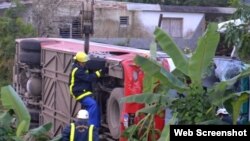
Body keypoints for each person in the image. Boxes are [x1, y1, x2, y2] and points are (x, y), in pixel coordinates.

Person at [69, 51, 102, 128]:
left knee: (95, 104)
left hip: (84, 91)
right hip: (78, 92)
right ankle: (92, 126)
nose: (85, 64)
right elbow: (88, 78)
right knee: (93, 104)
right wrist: (99, 73)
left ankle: (96, 123)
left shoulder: (81, 66)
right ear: (79, 62)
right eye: (83, 62)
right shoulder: (77, 70)